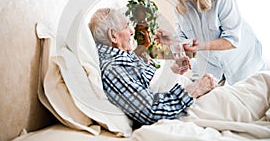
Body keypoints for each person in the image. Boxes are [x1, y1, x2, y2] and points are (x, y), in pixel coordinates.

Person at [88, 7, 216, 127]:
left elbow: (149, 82)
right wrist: (195, 89)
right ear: (113, 35)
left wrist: (173, 71)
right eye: (127, 26)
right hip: (185, 103)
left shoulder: (123, 56)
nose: (132, 31)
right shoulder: (113, 69)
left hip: (184, 95)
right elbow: (152, 111)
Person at [155, 0, 266, 85]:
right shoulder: (180, 7)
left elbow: (232, 40)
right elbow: (184, 39)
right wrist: (172, 40)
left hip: (242, 66)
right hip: (212, 71)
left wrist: (202, 46)